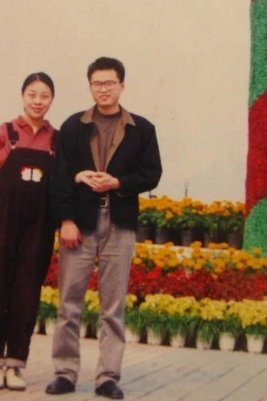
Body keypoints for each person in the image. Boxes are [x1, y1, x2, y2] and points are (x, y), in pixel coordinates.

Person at [45, 57, 162, 400]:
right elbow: (59, 176)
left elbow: (151, 174)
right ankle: (65, 373)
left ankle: (108, 377)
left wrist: (118, 182)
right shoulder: (73, 126)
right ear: (90, 86)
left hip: (119, 223)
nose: (104, 89)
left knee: (113, 306)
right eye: (97, 83)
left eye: (110, 83)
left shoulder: (142, 129)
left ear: (122, 85)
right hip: (79, 224)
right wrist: (66, 220)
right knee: (69, 303)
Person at [0, 72, 58, 392]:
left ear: (52, 100)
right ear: (23, 96)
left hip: (38, 230)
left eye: (44, 95)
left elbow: (63, 185)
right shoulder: (4, 133)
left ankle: (16, 365)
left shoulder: (57, 140)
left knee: (26, 295)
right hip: (2, 225)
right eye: (32, 94)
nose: (38, 101)